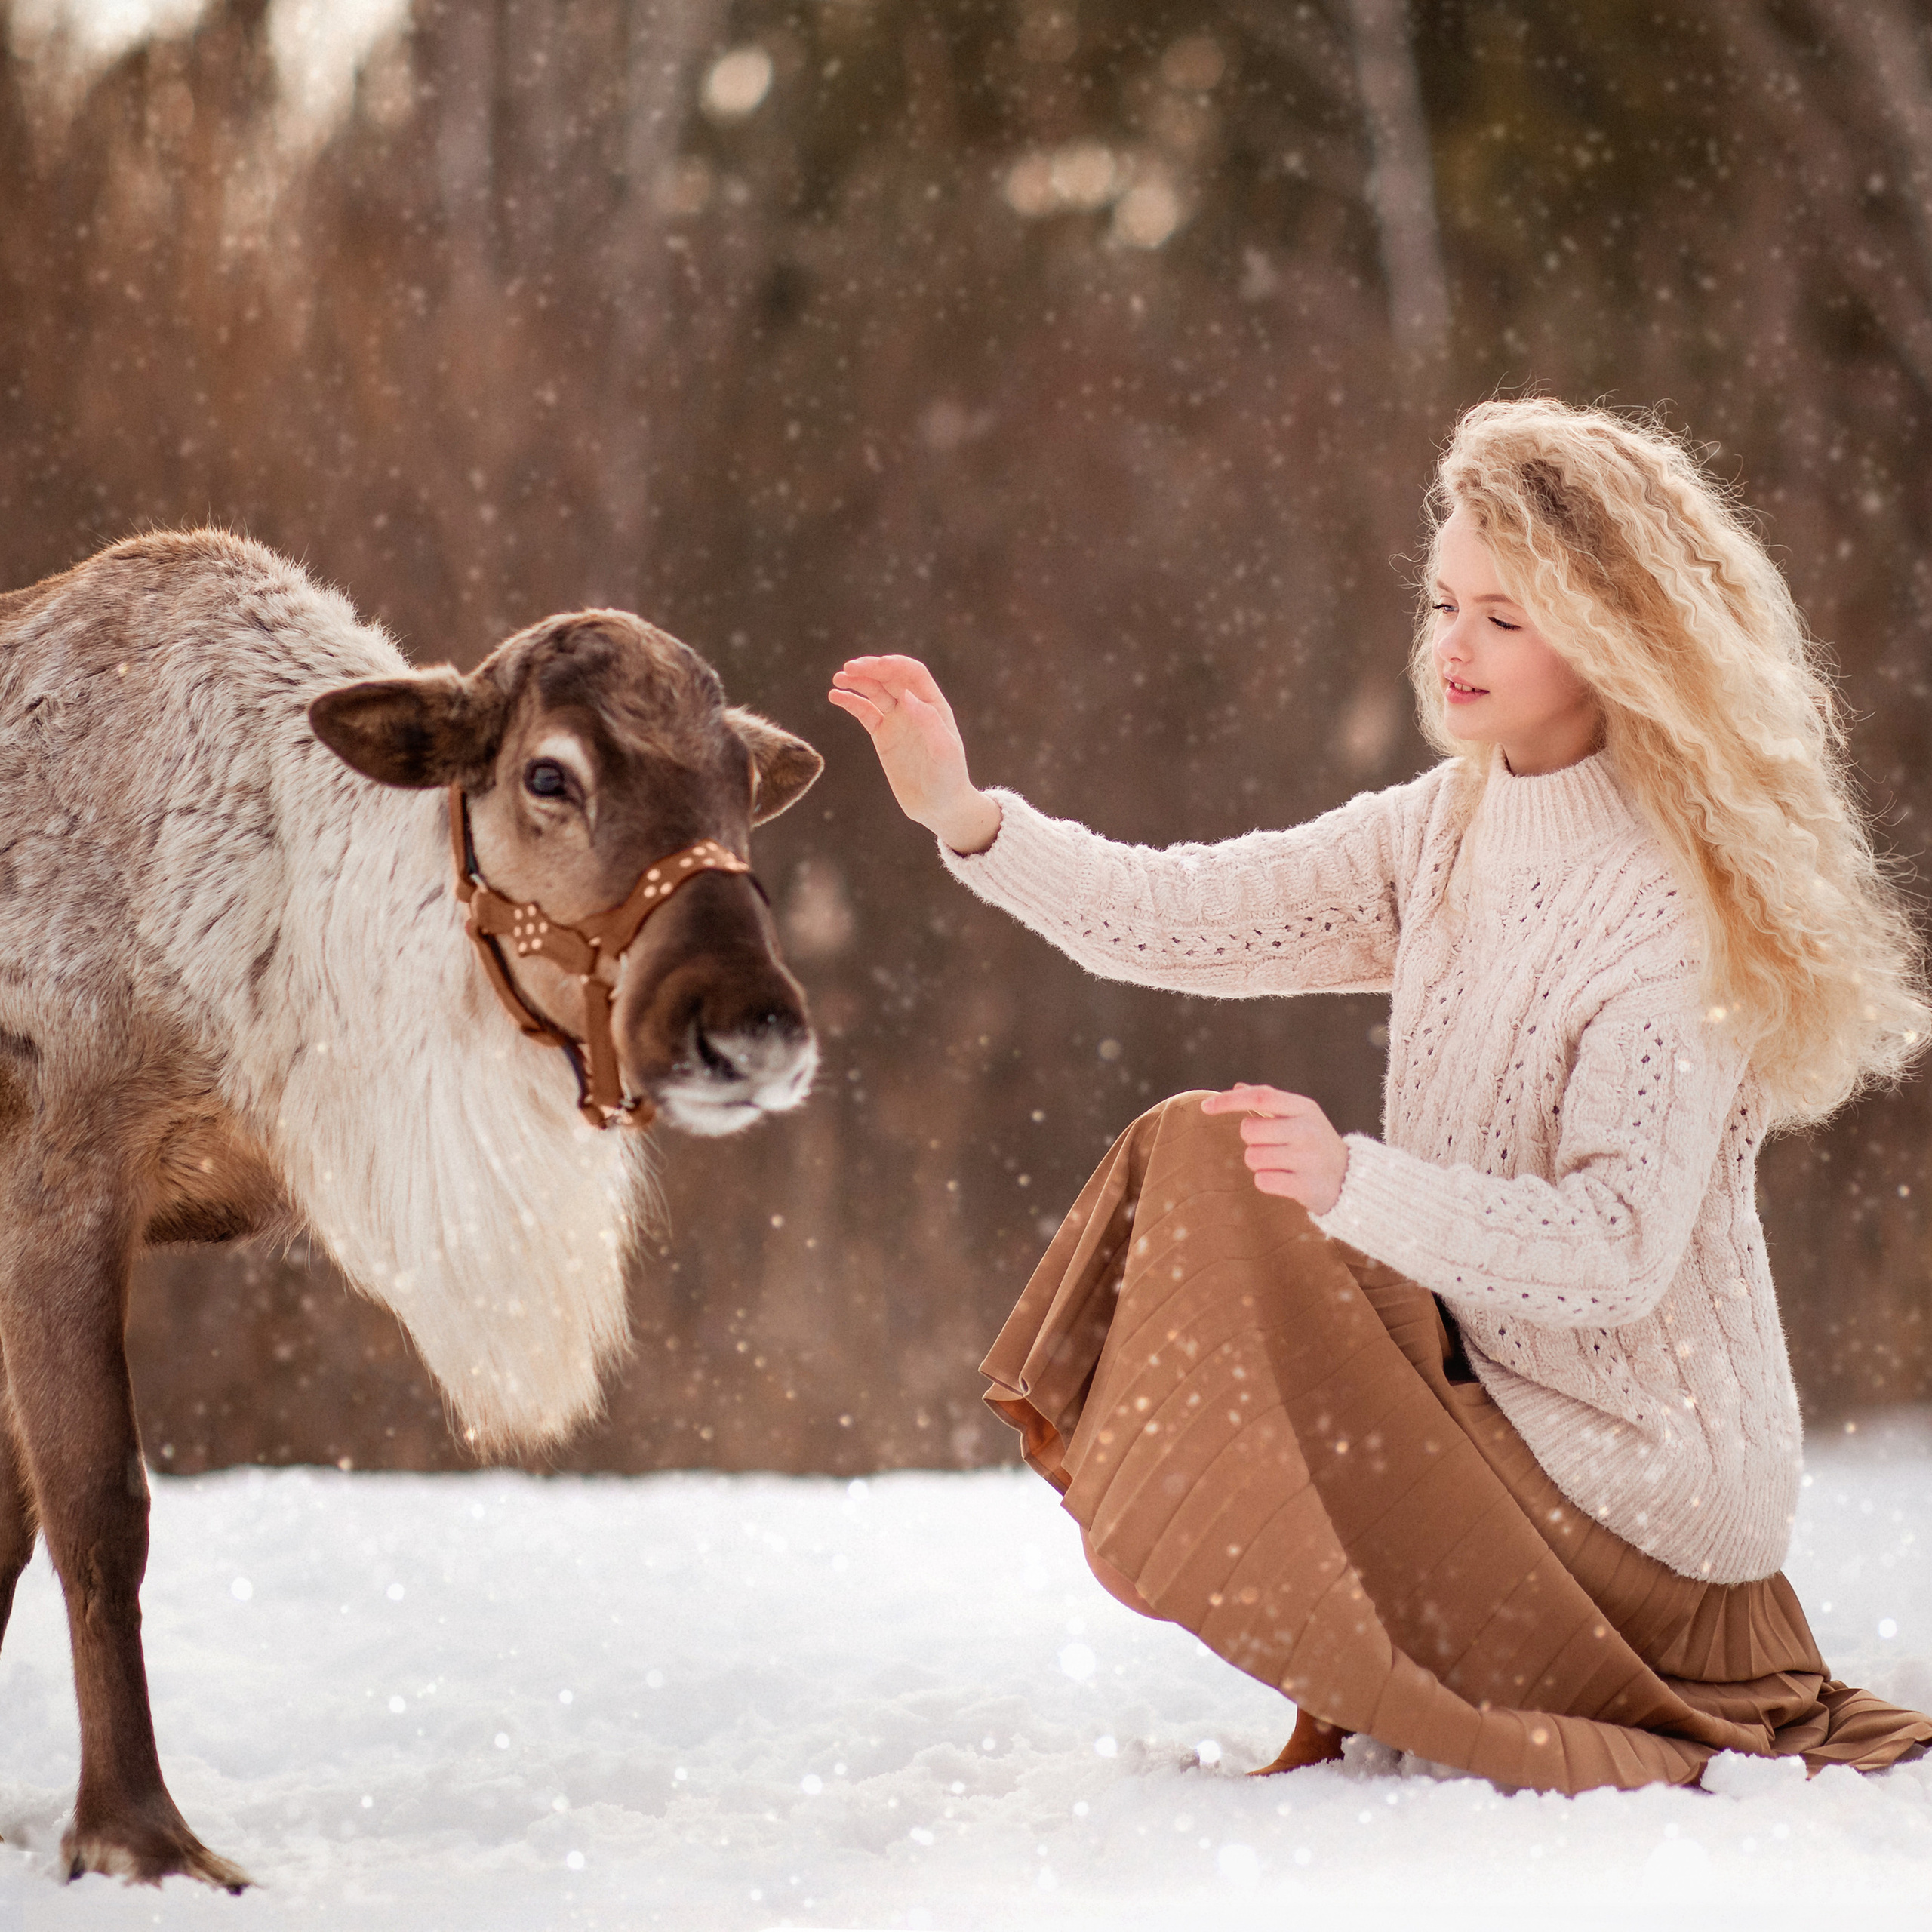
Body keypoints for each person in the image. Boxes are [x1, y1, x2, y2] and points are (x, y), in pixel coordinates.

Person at [829, 397, 1932, 1791]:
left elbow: (1612, 1252)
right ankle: (1272, 1564)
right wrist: (966, 815)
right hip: (1494, 1405)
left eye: (1504, 617)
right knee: (1203, 1157)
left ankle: (1332, 1592)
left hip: (1649, 1516)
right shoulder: (1446, 825)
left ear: (1608, 634)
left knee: (1244, 1177)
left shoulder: (1664, 915)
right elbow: (1180, 915)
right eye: (1443, 601)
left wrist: (1359, 1187)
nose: (1453, 646)